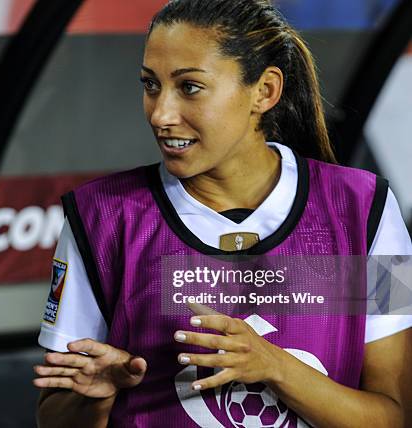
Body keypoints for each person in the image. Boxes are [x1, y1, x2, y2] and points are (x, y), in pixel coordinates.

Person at [33, 0, 412, 426]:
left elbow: (392, 417)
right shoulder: (99, 217)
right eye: (150, 85)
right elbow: (54, 420)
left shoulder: (368, 208)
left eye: (189, 87)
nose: (161, 114)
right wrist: (95, 399)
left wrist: (274, 365)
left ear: (265, 91)